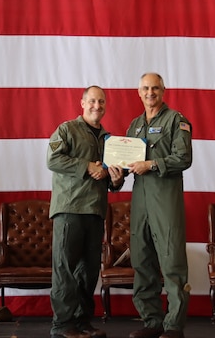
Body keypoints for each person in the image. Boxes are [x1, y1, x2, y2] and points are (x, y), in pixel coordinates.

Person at [47, 86, 125, 338]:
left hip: (95, 211)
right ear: (82, 103)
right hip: (70, 209)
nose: (97, 106)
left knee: (89, 271)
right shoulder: (67, 129)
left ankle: (82, 322)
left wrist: (115, 179)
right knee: (65, 269)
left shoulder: (109, 139)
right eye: (92, 101)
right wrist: (87, 166)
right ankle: (62, 325)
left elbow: (114, 182)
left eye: (101, 102)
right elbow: (53, 160)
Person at [126, 73, 193, 338]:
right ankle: (151, 320)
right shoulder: (134, 125)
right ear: (138, 92)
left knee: (171, 260)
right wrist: (118, 171)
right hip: (140, 200)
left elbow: (183, 157)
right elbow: (127, 161)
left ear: (163, 90)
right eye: (145, 88)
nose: (150, 92)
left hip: (165, 199)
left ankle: (174, 324)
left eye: (155, 87)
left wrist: (152, 164)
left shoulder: (177, 120)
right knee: (142, 259)